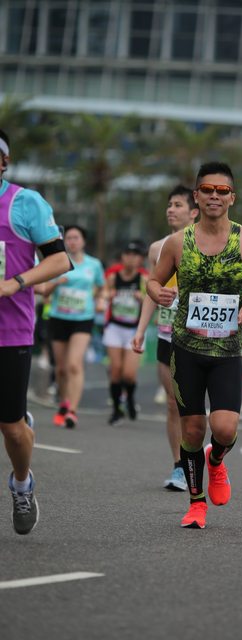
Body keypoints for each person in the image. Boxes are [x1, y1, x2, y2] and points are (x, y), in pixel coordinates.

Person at [146, 162, 242, 529]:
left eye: (222, 190)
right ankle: (196, 504)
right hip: (186, 349)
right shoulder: (177, 242)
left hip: (227, 350)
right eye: (207, 190)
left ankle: (216, 461)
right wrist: (159, 293)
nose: (215, 196)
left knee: (225, 429)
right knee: (193, 431)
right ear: (196, 196)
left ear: (232, 197)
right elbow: (153, 281)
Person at [0, 127, 71, 535]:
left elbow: (60, 261)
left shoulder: (24, 203)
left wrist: (16, 283)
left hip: (10, 330)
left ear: (4, 161)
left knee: (11, 428)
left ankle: (22, 483)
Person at [132, 185, 199, 491]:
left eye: (178, 205)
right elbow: (152, 291)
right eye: (169, 205)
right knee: (173, 403)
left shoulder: (205, 247)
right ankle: (180, 467)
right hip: (165, 335)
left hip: (198, 337)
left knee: (193, 406)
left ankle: (202, 456)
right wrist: (140, 330)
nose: (171, 210)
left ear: (194, 212)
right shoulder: (156, 249)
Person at [45, 225, 106, 428]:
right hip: (58, 317)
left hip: (83, 318)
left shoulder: (94, 264)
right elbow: (44, 290)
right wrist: (56, 282)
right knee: (61, 367)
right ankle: (63, 403)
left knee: (73, 364)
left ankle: (72, 411)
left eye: (76, 237)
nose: (72, 241)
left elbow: (102, 287)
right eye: (69, 238)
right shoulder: (57, 262)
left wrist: (101, 299)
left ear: (83, 241)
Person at [104, 243, 147, 425]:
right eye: (127, 254)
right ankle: (116, 410)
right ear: (121, 257)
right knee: (115, 372)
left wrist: (142, 298)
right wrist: (107, 295)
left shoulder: (144, 279)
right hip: (115, 328)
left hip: (134, 330)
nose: (131, 258)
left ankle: (129, 398)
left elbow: (152, 301)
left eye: (135, 255)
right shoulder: (113, 277)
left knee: (128, 374)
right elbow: (102, 294)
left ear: (140, 259)